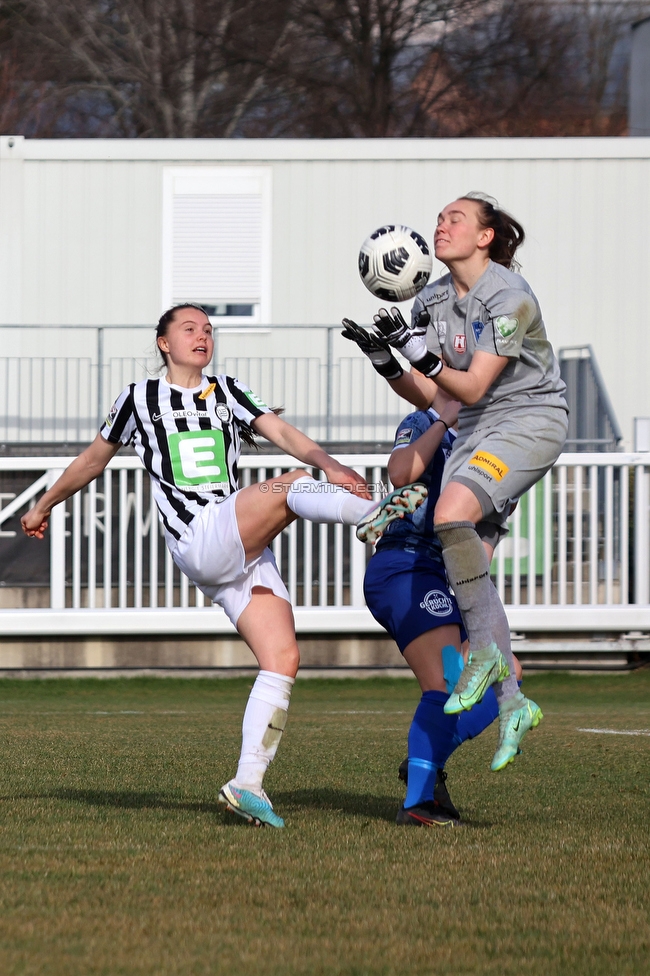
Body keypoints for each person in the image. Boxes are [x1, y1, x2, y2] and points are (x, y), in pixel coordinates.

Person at [21, 303, 428, 829]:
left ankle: (247, 784)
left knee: (282, 658)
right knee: (292, 484)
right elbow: (92, 460)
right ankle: (380, 517)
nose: (202, 336)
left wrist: (328, 461)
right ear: (163, 343)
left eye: (208, 330)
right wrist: (44, 503)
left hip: (240, 546)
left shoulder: (228, 391)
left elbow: (281, 431)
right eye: (189, 328)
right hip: (201, 536)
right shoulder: (139, 398)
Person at [344, 192, 568, 772]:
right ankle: (513, 700)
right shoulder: (438, 297)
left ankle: (486, 658)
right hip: (476, 431)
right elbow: (440, 397)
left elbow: (469, 388)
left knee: (448, 514)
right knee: (469, 561)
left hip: (527, 421)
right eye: (439, 218)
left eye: (455, 219)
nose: (440, 226)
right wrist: (390, 362)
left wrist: (416, 348)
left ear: (486, 237)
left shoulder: (509, 297)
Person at [363, 399, 522, 826]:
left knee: (507, 672)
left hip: (441, 580)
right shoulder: (426, 422)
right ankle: (418, 802)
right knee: (442, 686)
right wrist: (442, 419)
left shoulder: (494, 463)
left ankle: (426, 766)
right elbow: (399, 475)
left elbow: (478, 556)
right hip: (405, 566)